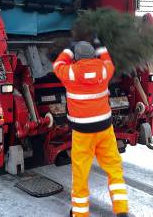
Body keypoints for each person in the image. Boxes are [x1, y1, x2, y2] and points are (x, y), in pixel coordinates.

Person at [53, 41, 129, 217]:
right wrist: (100, 45)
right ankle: (121, 209)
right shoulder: (104, 70)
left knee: (80, 174)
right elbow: (108, 60)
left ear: (76, 58)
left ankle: (80, 214)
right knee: (114, 168)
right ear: (93, 56)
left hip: (82, 133)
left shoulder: (70, 72)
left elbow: (57, 64)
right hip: (104, 130)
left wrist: (68, 50)